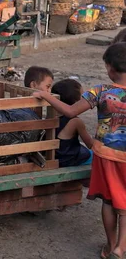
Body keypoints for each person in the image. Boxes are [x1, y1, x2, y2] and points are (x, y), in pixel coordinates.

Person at [34, 43, 126, 259]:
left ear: (110, 68)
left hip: (105, 155)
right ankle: (121, 249)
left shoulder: (101, 91)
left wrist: (47, 96)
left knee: (109, 201)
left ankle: (110, 246)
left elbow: (70, 110)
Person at [51, 79, 94, 167]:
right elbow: (91, 145)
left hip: (54, 157)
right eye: (82, 97)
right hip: (68, 161)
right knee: (94, 155)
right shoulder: (76, 122)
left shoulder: (51, 116)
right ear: (76, 102)